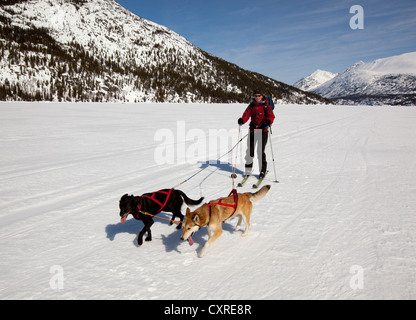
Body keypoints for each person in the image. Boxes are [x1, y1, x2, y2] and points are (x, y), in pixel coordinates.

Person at [238, 89, 275, 179]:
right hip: (253, 130)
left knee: (260, 151)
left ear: (262, 96)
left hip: (263, 131)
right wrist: (242, 120)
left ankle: (262, 171)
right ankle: (248, 171)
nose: (257, 97)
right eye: (256, 96)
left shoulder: (266, 105)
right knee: (250, 151)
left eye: (259, 96)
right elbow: (246, 114)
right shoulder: (252, 105)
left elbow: (271, 116)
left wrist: (268, 121)